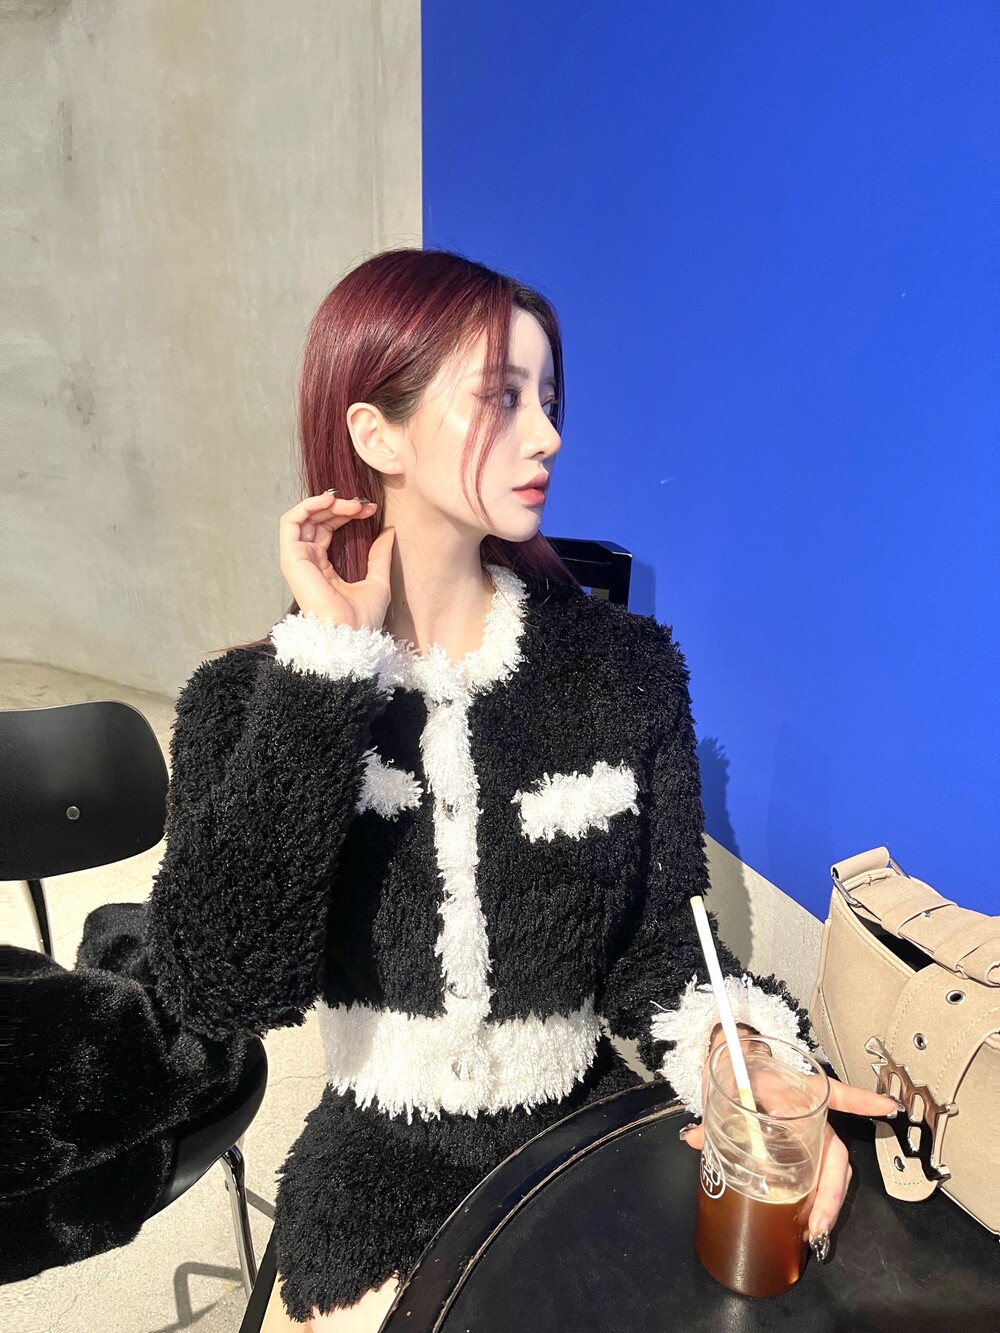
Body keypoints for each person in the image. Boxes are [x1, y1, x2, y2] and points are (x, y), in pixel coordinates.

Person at [145, 248, 898, 1331]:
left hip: (578, 1128)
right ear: (377, 434)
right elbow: (221, 989)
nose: (547, 435)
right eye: (502, 397)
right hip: (378, 1155)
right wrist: (326, 679)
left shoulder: (626, 670)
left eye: (549, 399)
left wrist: (743, 1058)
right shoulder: (253, 701)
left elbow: (660, 945)